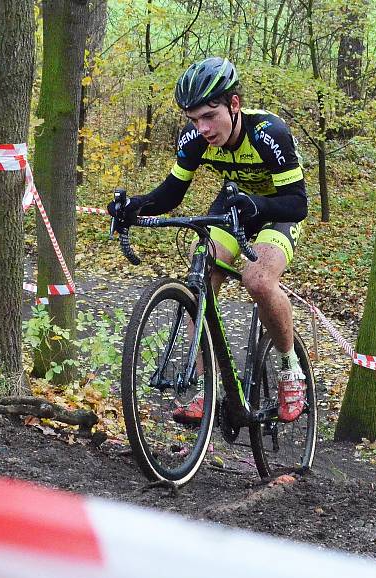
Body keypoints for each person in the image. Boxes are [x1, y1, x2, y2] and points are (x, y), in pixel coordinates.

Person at [109, 56, 308, 425]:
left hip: (276, 210)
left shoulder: (269, 133)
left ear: (234, 105)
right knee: (200, 281)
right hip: (232, 207)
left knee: (258, 280)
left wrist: (258, 205)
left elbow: (298, 203)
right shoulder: (195, 139)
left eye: (209, 116)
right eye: (194, 119)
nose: (202, 128)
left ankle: (289, 368)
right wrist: (133, 207)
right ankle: (208, 387)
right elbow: (170, 194)